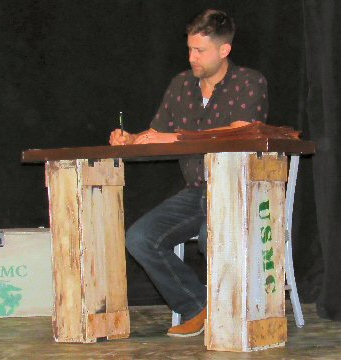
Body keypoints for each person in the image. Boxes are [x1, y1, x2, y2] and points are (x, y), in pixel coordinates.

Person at [110, 9, 268, 337]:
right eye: (190, 49)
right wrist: (132, 139)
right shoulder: (182, 84)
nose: (192, 57)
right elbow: (157, 134)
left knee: (215, 234)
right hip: (197, 190)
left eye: (200, 51)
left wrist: (172, 137)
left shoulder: (249, 82)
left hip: (237, 189)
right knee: (140, 238)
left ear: (224, 50)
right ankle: (198, 307)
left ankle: (234, 314)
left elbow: (237, 133)